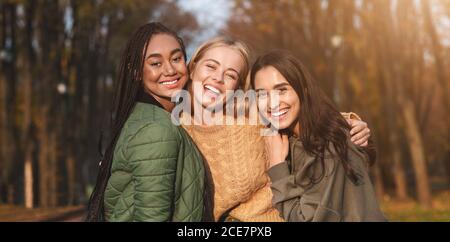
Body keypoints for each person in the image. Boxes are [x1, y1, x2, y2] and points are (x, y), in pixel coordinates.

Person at [178, 37, 373, 221]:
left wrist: (348, 123)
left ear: (238, 86)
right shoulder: (176, 129)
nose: (218, 78)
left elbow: (300, 116)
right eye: (211, 66)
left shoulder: (255, 118)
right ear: (193, 68)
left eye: (230, 74)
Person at [85, 22, 209, 222]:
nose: (170, 70)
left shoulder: (143, 116)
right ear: (135, 71)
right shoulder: (157, 129)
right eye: (155, 63)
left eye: (176, 58)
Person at [250, 50, 386, 221]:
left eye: (282, 90)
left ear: (303, 90)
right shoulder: (287, 138)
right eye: (262, 94)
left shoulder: (327, 150)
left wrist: (277, 167)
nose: (271, 103)